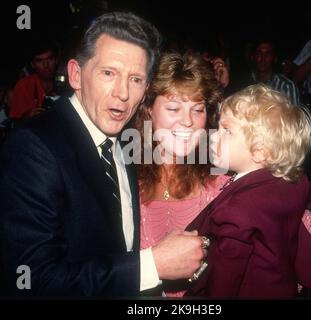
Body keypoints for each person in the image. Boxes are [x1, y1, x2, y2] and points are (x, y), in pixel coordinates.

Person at [0, 12, 205, 297]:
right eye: (108, 73)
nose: (122, 93)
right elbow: (31, 280)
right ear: (76, 74)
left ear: (145, 89)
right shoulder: (34, 146)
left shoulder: (124, 141)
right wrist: (152, 265)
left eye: (135, 79)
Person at [185, 84, 311, 298]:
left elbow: (224, 276)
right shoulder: (292, 184)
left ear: (260, 152)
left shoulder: (238, 211)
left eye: (227, 131)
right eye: (218, 127)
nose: (214, 136)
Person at [136, 51, 227, 296]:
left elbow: (302, 225)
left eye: (198, 110)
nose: (188, 121)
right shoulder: (125, 180)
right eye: (174, 108)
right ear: (149, 111)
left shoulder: (220, 183)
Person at [9, 38, 60, 120]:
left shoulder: (67, 82)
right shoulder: (24, 85)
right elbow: (15, 123)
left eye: (50, 59)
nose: (46, 65)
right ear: (32, 64)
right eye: (39, 60)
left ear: (56, 60)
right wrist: (27, 117)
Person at [249, 38, 300, 105]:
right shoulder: (244, 82)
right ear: (253, 57)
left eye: (267, 54)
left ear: (275, 59)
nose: (263, 58)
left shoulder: (286, 86)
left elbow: (293, 115)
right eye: (259, 53)